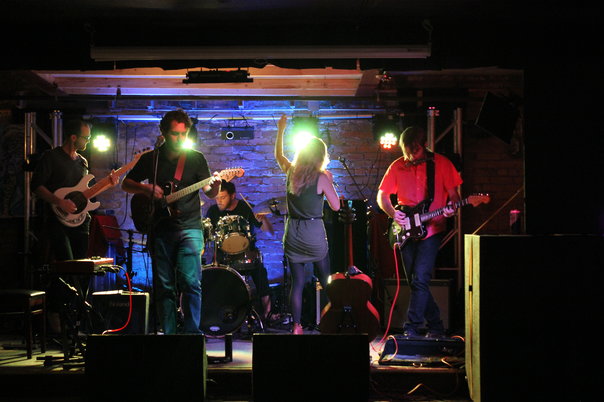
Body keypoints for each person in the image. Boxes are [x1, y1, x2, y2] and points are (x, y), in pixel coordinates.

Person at [122, 109, 221, 334]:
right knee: (164, 286)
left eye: (184, 134)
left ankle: (192, 336)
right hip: (160, 228)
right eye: (175, 134)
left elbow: (210, 192)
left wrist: (216, 186)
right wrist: (145, 188)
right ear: (164, 133)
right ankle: (169, 337)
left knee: (191, 282)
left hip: (190, 227)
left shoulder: (196, 158)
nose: (180, 139)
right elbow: (126, 184)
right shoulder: (151, 159)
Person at [31, 118, 119, 332]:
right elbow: (37, 186)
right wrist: (59, 201)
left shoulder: (82, 162)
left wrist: (108, 184)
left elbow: (84, 195)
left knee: (82, 269)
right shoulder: (51, 157)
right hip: (58, 221)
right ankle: (54, 311)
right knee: (66, 267)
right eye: (86, 137)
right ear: (73, 137)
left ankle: (74, 317)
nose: (88, 141)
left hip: (80, 223)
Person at [377, 126, 462, 338]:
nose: (410, 156)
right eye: (406, 151)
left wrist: (452, 208)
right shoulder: (397, 165)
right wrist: (392, 213)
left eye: (414, 150)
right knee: (415, 282)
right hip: (405, 228)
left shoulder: (442, 164)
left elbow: (455, 196)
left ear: (424, 145)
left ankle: (411, 327)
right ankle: (436, 327)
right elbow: (382, 196)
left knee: (420, 278)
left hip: (432, 228)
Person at [274, 114, 340, 335]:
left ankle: (297, 326)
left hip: (293, 231)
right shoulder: (322, 177)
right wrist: (330, 182)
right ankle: (332, 322)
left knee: (297, 283)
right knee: (326, 279)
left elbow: (279, 155)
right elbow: (336, 206)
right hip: (313, 231)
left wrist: (281, 130)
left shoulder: (291, 171)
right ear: (321, 156)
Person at [205, 180, 274, 322]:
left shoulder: (246, 208)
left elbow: (270, 233)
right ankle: (216, 316)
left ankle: (267, 314)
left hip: (247, 254)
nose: (219, 201)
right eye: (217, 198)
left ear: (233, 196)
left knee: (261, 273)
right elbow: (207, 235)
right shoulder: (213, 211)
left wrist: (264, 219)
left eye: (223, 197)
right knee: (212, 277)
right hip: (223, 257)